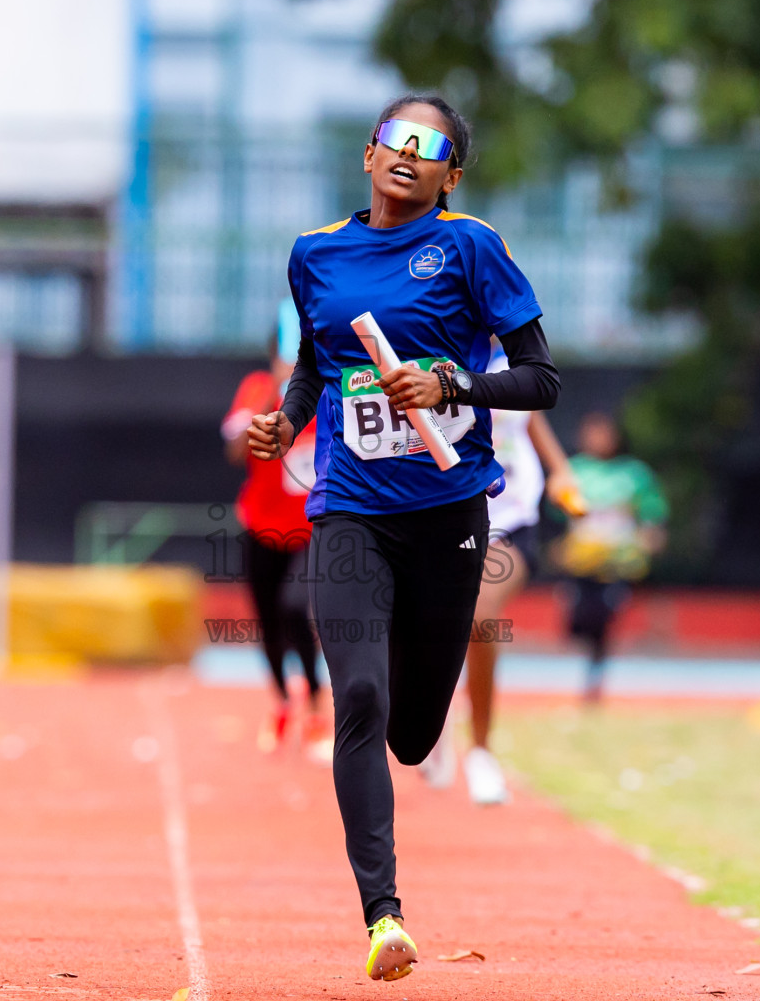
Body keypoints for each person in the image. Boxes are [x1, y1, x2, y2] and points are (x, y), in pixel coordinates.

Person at [246, 93, 559, 981]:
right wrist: (285, 419)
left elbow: (542, 379)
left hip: (447, 513)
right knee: (362, 699)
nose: (410, 155)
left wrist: (451, 385)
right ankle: (384, 917)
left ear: (450, 173)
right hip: (348, 510)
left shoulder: (470, 246)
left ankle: (429, 736)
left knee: (415, 733)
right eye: (397, 139)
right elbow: (315, 367)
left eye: (432, 147)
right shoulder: (316, 254)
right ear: (370, 152)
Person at [418, 338, 583, 804]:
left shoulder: (513, 360)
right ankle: (433, 719)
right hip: (444, 514)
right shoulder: (431, 355)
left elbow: (530, 421)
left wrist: (561, 472)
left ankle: (483, 753)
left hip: (510, 519)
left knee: (481, 612)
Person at [221, 301, 326, 754]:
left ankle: (318, 702)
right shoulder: (256, 388)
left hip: (308, 530)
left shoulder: (324, 394)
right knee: (267, 621)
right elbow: (234, 451)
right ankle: (283, 700)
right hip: (261, 526)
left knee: (293, 607)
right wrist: (272, 400)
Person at [555, 411, 667, 702]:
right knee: (578, 622)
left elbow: (652, 513)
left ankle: (595, 677)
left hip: (618, 562)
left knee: (602, 618)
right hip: (581, 561)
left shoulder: (634, 474)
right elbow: (556, 512)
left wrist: (651, 537)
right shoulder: (572, 469)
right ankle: (588, 662)